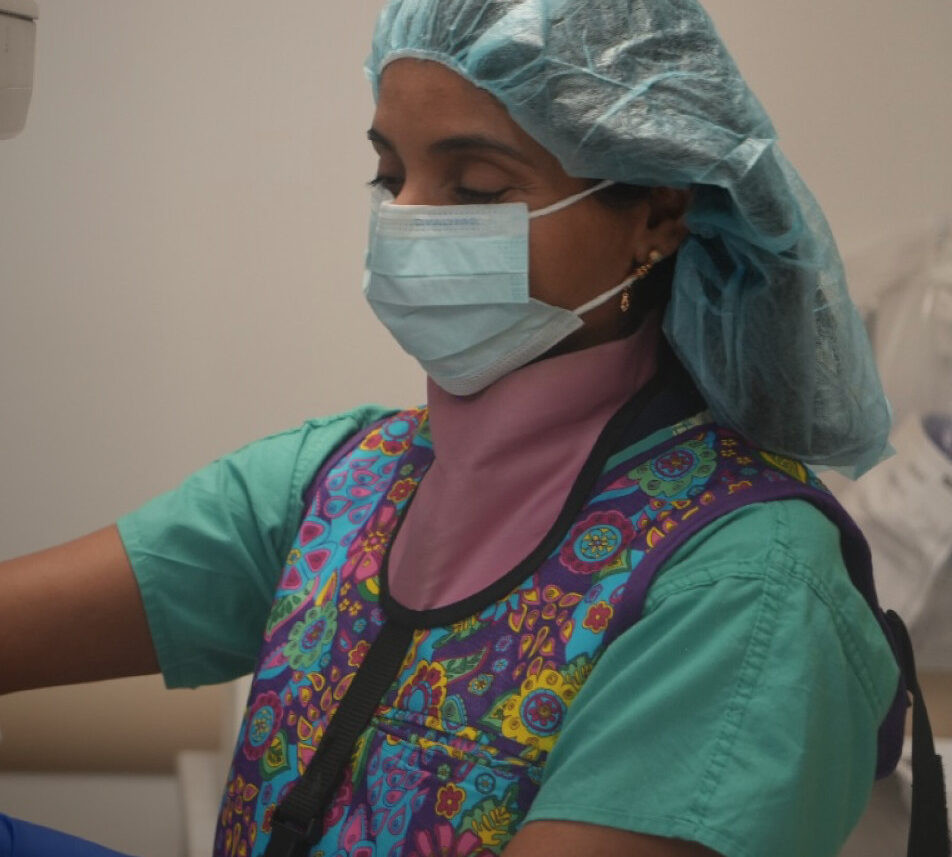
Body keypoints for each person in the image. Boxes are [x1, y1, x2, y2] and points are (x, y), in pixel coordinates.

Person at [0, 1, 930, 856]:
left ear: (657, 212)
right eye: (389, 173)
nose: (402, 221)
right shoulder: (343, 481)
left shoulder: (745, 583)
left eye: (476, 185)